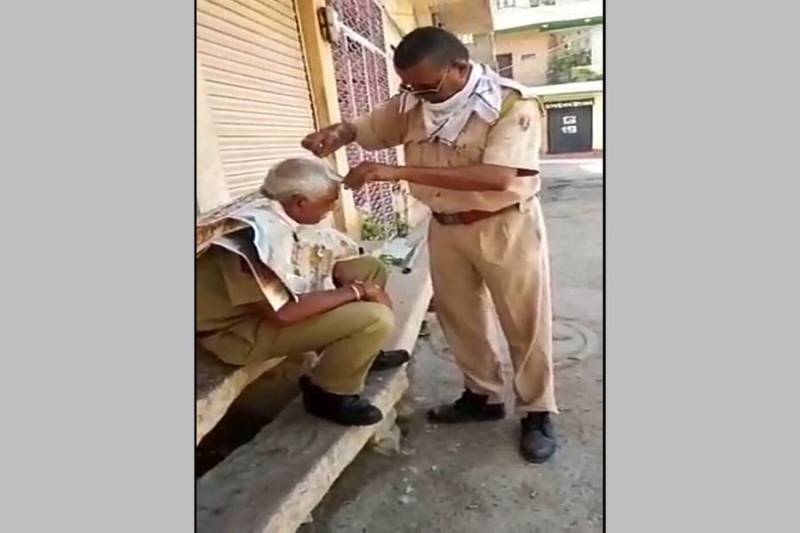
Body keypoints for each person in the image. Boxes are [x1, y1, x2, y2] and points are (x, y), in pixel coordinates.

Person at [301, 27, 558, 462]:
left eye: (427, 84)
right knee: (461, 318)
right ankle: (483, 396)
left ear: (459, 68)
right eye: (409, 86)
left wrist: (396, 174)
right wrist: (339, 133)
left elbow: (497, 176)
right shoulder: (415, 99)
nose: (419, 94)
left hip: (504, 224)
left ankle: (537, 411)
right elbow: (372, 127)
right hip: (445, 225)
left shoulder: (510, 104)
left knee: (523, 320)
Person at [196, 158, 409, 427]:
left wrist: (350, 278)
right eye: (328, 202)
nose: (332, 208)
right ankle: (327, 393)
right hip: (236, 333)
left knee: (369, 267)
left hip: (258, 309)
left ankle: (359, 355)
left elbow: (302, 252)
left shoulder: (273, 204)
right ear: (300, 202)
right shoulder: (251, 240)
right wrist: (357, 291)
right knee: (375, 317)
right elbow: (284, 313)